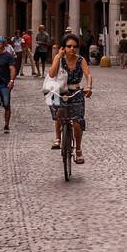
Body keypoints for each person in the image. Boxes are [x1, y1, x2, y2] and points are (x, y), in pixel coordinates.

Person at [47, 32, 92, 163]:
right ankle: (57, 138)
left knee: (77, 123)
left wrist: (89, 86)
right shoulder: (59, 58)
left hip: (76, 93)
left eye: (75, 46)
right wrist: (58, 57)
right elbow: (51, 73)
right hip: (60, 91)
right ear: (64, 47)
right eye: (69, 46)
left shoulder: (80, 60)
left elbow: (88, 75)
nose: (72, 49)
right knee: (58, 112)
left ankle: (78, 150)